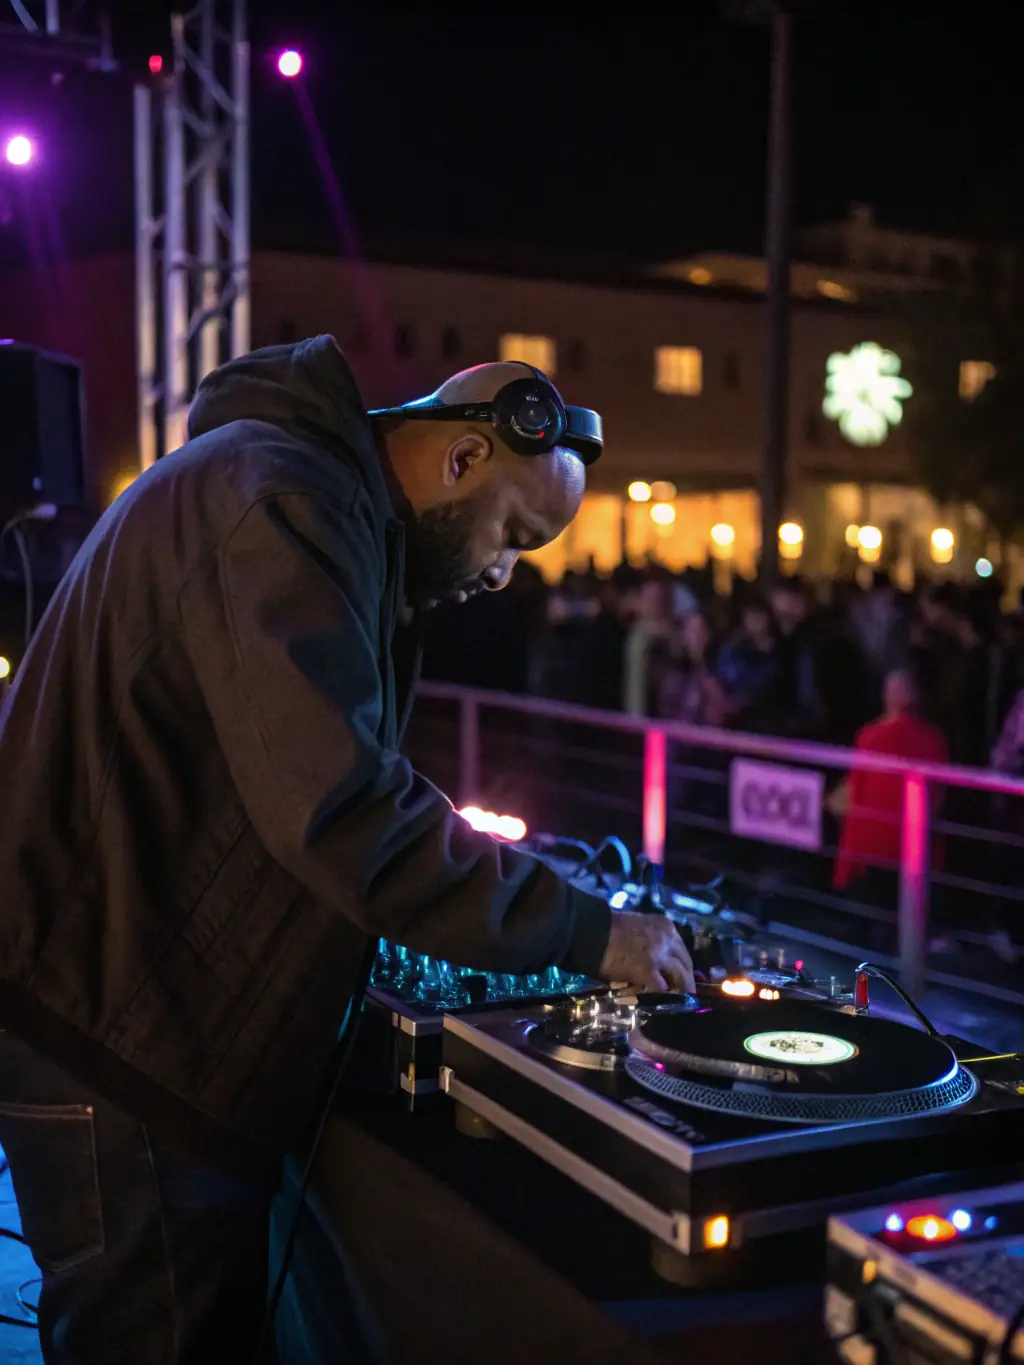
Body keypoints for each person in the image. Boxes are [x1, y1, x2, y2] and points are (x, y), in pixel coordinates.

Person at [0, 337, 692, 1364]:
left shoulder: (293, 492)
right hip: (123, 1042)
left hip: (125, 1017)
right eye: (515, 533)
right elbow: (342, 814)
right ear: (462, 460)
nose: (504, 575)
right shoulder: (278, 504)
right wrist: (591, 930)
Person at [833, 668, 947, 895]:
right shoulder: (934, 739)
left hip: (876, 845)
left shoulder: (870, 737)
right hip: (915, 845)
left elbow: (856, 794)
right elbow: (937, 799)